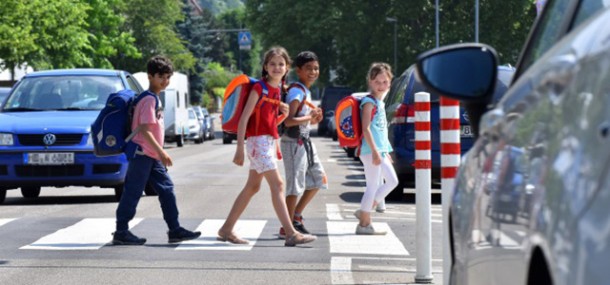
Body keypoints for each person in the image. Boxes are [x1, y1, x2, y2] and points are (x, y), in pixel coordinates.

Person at [217, 46, 317, 247]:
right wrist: (239, 148)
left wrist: (282, 114)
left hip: (266, 142)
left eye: (281, 64)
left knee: (252, 187)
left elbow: (270, 122)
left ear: (287, 67)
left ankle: (226, 229)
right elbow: (245, 118)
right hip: (257, 142)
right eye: (272, 64)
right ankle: (290, 233)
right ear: (265, 67)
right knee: (278, 185)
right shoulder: (259, 88)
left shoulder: (278, 90)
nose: (277, 67)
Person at [112, 55, 201, 245]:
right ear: (150, 76)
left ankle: (175, 229)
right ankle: (121, 231)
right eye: (161, 76)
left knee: (167, 190)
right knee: (133, 192)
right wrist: (162, 152)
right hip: (143, 154)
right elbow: (144, 128)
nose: (165, 81)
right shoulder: (148, 100)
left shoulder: (154, 99)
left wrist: (158, 154)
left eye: (168, 77)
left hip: (150, 155)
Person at [278, 51, 327, 238]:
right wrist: (310, 117)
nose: (313, 72)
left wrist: (314, 119)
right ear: (298, 71)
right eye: (308, 68)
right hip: (293, 144)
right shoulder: (297, 91)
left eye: (316, 68)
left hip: (304, 141)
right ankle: (287, 227)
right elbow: (288, 121)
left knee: (319, 178)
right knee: (294, 186)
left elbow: (304, 121)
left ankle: (296, 217)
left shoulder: (306, 91)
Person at [353, 62, 399, 235]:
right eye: (378, 82)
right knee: (388, 182)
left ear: (390, 83)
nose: (381, 86)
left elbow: (381, 130)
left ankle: (364, 216)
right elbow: (366, 129)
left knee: (374, 185)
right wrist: (375, 151)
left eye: (385, 82)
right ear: (370, 82)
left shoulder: (379, 103)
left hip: (379, 150)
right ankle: (364, 219)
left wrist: (385, 151)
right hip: (371, 151)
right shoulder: (368, 102)